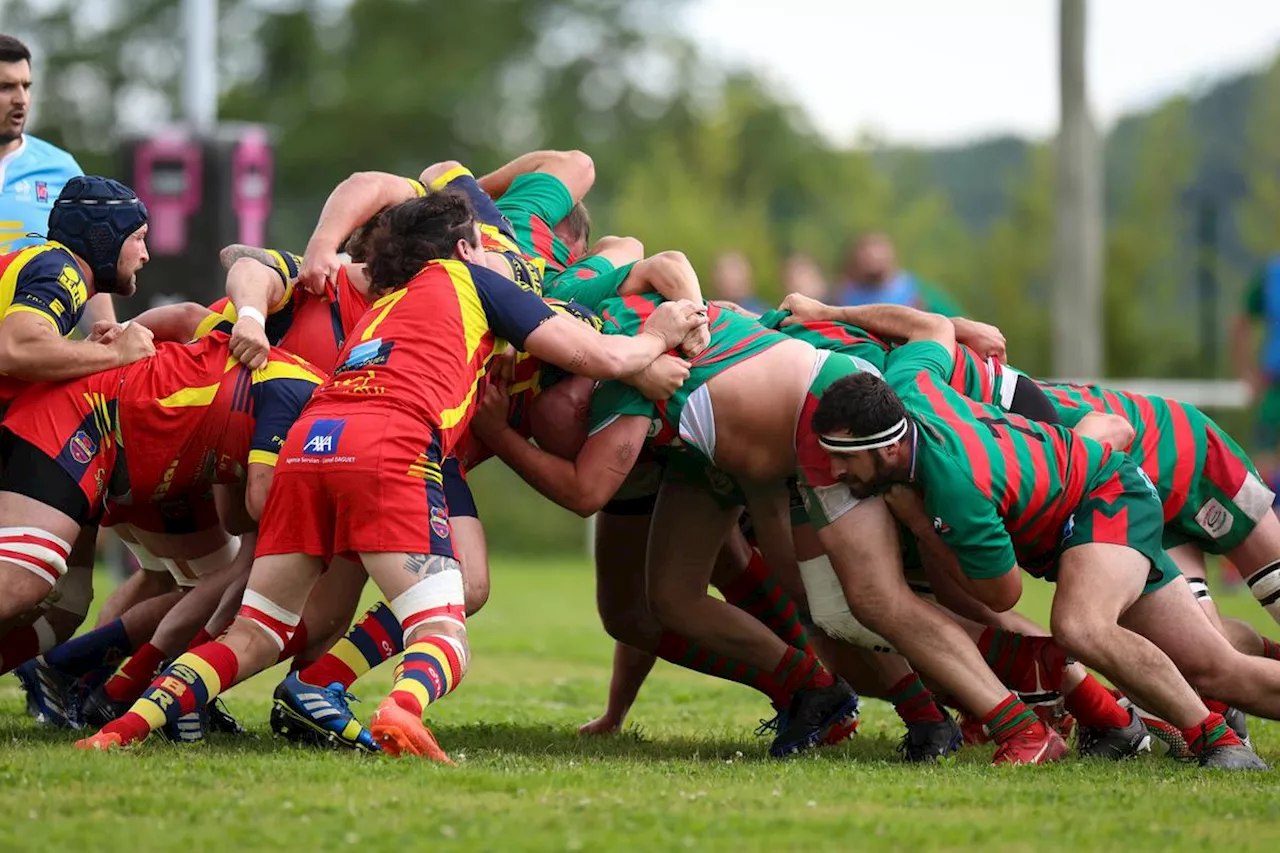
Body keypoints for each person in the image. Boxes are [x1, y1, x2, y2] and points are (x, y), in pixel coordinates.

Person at [75, 189, 707, 758]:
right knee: (444, 631)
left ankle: (116, 733)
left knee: (257, 630)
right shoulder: (472, 280)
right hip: (391, 447)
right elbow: (601, 351)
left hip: (309, 442)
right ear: (463, 248)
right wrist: (656, 336)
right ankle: (400, 711)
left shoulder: (385, 300)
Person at [809, 317, 1280, 770]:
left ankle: (1215, 741)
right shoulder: (910, 388)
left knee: (1080, 626)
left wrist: (920, 525)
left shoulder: (957, 489)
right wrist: (830, 312)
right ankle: (1214, 734)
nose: (834, 472)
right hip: (1102, 496)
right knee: (1214, 669)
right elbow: (934, 329)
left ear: (890, 449)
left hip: (1108, 499)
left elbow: (1000, 593)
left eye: (843, 457)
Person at [0, 35, 115, 328]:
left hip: (34, 357)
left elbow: (87, 265)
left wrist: (109, 339)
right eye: (5, 87)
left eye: (26, 86)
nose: (21, 99)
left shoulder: (60, 169)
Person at [1233, 254, 1280, 503]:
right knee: (1264, 467)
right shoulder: (1271, 275)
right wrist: (1247, 374)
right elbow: (1241, 323)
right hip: (1273, 382)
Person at [834, 233, 961, 316]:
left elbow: (957, 320)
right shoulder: (845, 296)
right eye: (867, 256)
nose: (873, 259)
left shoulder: (916, 290)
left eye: (878, 254)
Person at [711, 251, 768, 315]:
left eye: (738, 274)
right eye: (730, 275)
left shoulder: (762, 314)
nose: (734, 280)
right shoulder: (707, 313)